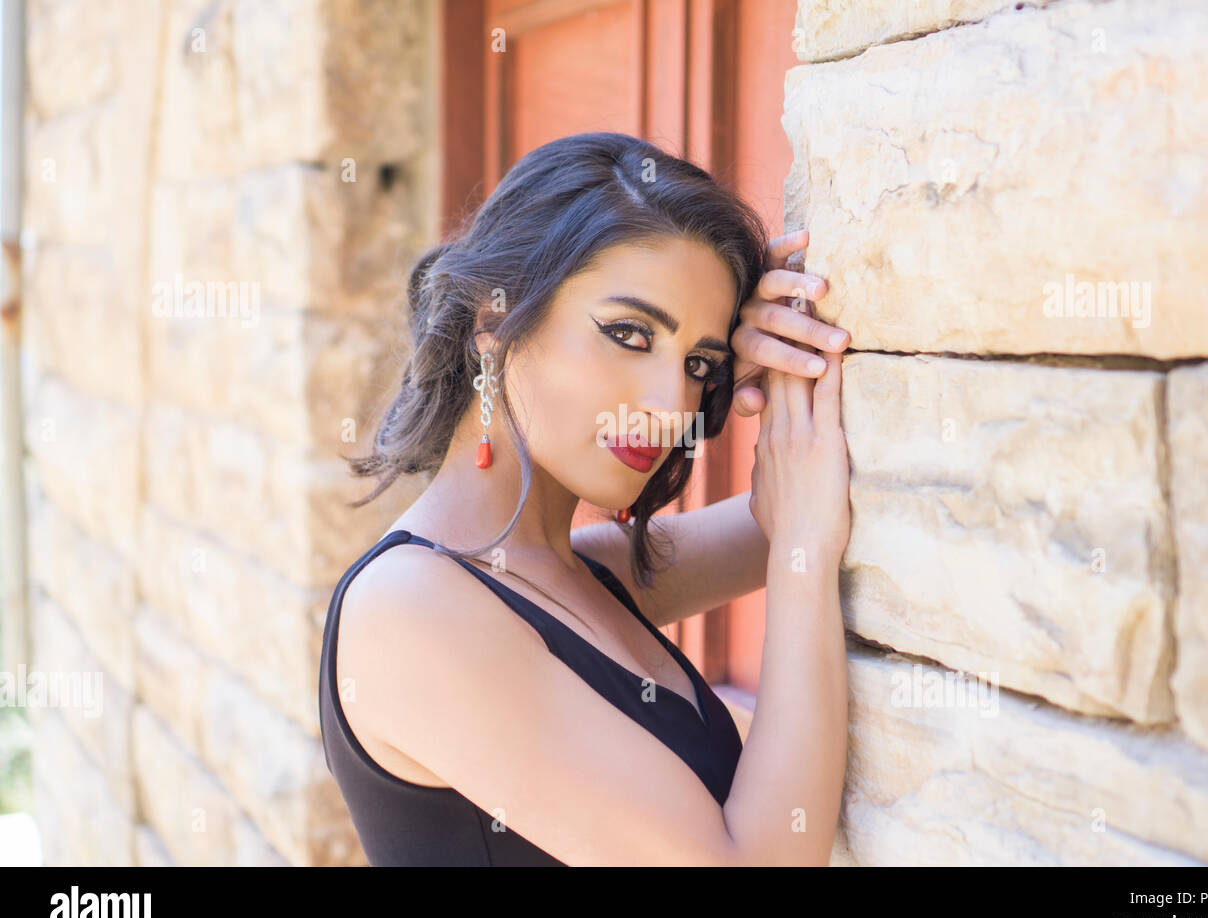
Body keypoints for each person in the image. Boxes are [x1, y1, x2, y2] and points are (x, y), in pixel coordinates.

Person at [317, 131, 850, 865]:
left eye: (700, 361)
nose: (672, 404)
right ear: (494, 322)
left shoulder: (578, 575)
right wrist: (802, 556)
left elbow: (792, 515)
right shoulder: (409, 609)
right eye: (629, 334)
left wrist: (782, 371)